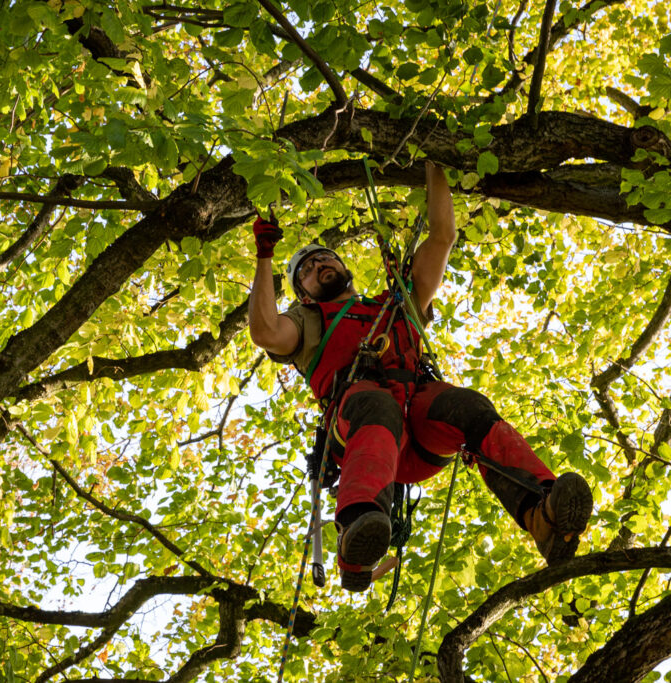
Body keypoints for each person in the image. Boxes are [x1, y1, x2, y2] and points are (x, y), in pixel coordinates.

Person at [248, 160, 593, 592]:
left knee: (469, 406)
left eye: (325, 259)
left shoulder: (397, 303)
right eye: (308, 270)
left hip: (423, 425)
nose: (320, 266)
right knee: (377, 405)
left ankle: (543, 513)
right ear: (302, 293)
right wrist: (265, 255)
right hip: (364, 434)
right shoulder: (310, 321)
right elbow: (264, 330)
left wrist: (437, 163)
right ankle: (358, 528)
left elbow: (442, 237)